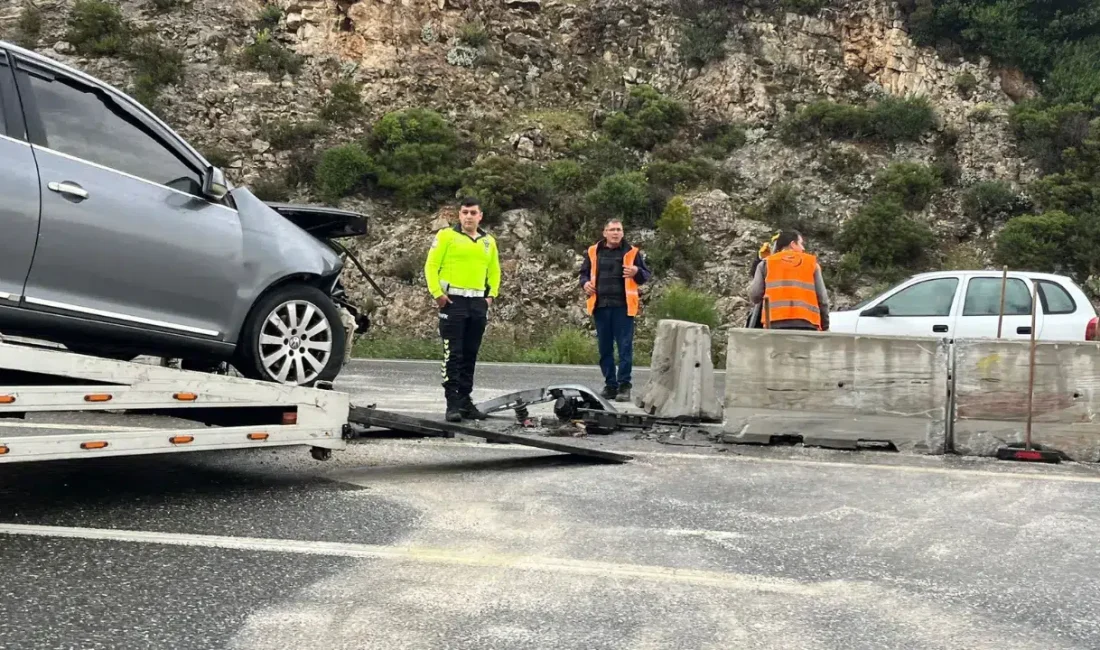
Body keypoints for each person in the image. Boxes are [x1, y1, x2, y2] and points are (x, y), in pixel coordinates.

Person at [424, 197, 501, 422]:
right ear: (459, 215)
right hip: (453, 302)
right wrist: (437, 293)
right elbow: (431, 265)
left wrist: (491, 296)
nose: (468, 216)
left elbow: (494, 270)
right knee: (453, 353)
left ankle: (465, 400)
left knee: (470, 353)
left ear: (480, 216)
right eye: (465, 212)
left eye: (473, 212)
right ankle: (452, 403)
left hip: (477, 303)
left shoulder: (489, 241)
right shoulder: (446, 236)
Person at [579, 219, 653, 402]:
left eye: (619, 229)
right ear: (605, 232)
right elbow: (584, 274)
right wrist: (585, 283)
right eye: (612, 230)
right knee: (605, 349)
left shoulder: (631, 252)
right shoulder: (593, 251)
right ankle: (610, 385)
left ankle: (624, 386)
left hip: (623, 308)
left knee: (624, 348)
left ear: (623, 232)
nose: (615, 233)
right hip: (601, 307)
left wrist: (636, 271)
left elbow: (645, 275)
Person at [749, 230, 830, 331]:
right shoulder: (812, 264)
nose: (803, 248)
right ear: (792, 244)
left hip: (774, 324)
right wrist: (825, 326)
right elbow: (822, 299)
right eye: (801, 243)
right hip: (807, 325)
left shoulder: (766, 264)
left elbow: (755, 296)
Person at [746, 232, 780, 328]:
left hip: (777, 312)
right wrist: (760, 260)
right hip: (765, 310)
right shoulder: (767, 264)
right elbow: (756, 278)